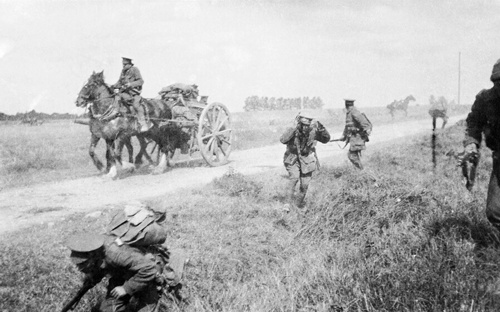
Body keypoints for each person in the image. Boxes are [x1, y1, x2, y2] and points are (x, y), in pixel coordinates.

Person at [462, 58, 500, 232]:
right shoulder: (486, 99)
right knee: (494, 211)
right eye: (498, 83)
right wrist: (471, 144)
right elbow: (474, 123)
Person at [280, 114, 330, 210]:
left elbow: (326, 139)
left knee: (304, 185)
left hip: (307, 161)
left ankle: (297, 205)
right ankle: (287, 204)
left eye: (307, 124)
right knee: (294, 178)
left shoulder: (313, 132)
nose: (305, 127)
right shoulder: (293, 130)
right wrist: (293, 129)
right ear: (299, 124)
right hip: (292, 158)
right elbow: (283, 140)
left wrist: (321, 128)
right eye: (303, 124)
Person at [109, 57, 150, 132]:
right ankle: (115, 114)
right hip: (124, 93)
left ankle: (143, 124)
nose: (123, 66)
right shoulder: (123, 72)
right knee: (116, 96)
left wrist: (130, 84)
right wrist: (112, 86)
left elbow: (141, 81)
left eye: (125, 64)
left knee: (136, 105)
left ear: (130, 64)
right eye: (122, 64)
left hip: (133, 93)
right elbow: (119, 82)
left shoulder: (134, 69)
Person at [338, 99, 372, 170]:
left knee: (352, 155)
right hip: (354, 138)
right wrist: (344, 135)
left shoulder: (354, 112)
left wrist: (361, 132)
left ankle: (361, 171)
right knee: (354, 155)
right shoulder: (349, 113)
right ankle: (359, 171)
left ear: (346, 105)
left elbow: (366, 125)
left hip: (357, 137)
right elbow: (348, 126)